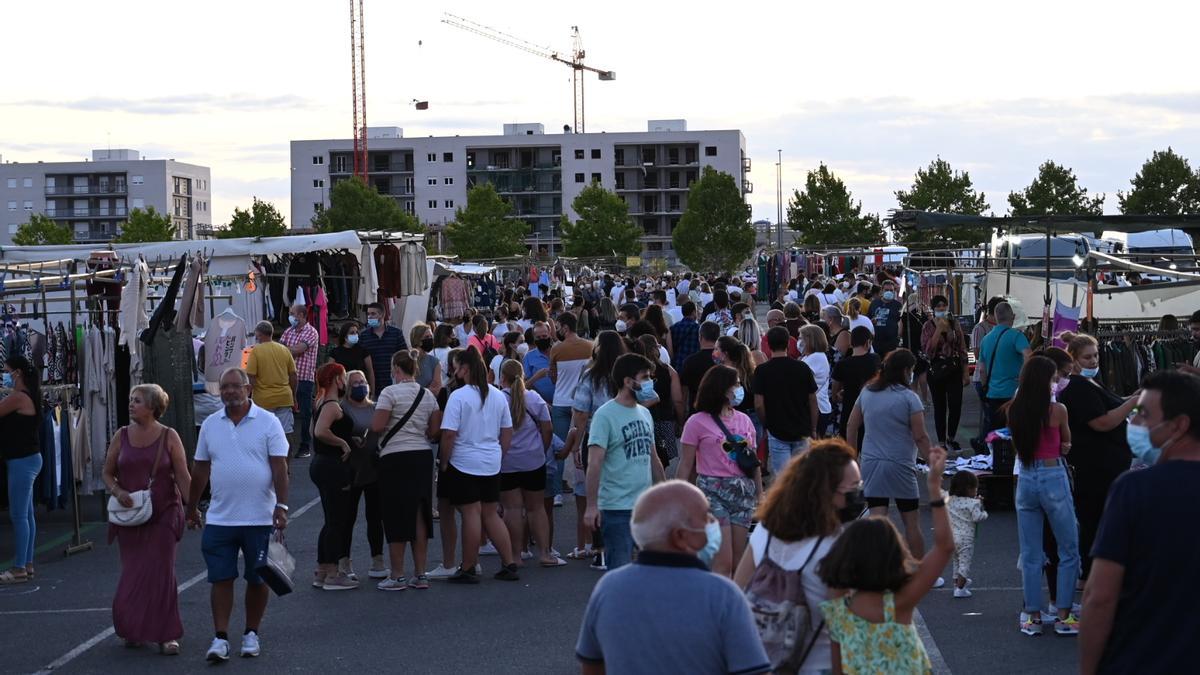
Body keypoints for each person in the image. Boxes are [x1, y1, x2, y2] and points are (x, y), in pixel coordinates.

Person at [575, 480, 771, 675]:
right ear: (680, 536)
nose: (712, 523)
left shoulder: (609, 589)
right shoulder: (723, 595)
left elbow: (591, 665)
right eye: (705, 517)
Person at [1080, 370, 1200, 674]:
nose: (1133, 423)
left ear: (1179, 425)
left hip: (1140, 659)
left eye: (1143, 414)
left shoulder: (1134, 490)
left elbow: (1099, 596)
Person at [817, 447, 952, 675]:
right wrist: (935, 488)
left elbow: (837, 668)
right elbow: (945, 546)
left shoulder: (838, 609)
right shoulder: (900, 603)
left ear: (846, 557)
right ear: (894, 555)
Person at [733, 439, 864, 674]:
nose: (859, 494)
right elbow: (843, 633)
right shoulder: (837, 547)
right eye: (853, 488)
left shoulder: (766, 531)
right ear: (826, 493)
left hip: (762, 664)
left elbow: (737, 595)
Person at [186, 368, 290, 662]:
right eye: (225, 387)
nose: (230, 391)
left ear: (248, 389)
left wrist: (281, 507)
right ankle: (220, 638)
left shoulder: (268, 422)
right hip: (220, 518)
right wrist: (192, 507)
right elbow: (200, 469)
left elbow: (280, 467)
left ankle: (251, 633)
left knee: (258, 579)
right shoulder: (209, 425)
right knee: (220, 578)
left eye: (235, 386)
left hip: (259, 518)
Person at [103, 383, 192, 653]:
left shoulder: (169, 436)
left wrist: (193, 508)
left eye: (137, 400)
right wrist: (118, 492)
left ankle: (167, 634)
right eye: (131, 399)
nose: (131, 404)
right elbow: (107, 472)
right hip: (130, 515)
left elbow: (183, 475)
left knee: (162, 573)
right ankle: (133, 626)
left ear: (153, 407)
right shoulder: (121, 435)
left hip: (164, 512)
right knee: (134, 574)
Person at [845, 349, 944, 588]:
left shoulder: (868, 392)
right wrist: (932, 462)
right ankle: (919, 570)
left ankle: (875, 572)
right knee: (911, 520)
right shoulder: (909, 398)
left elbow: (852, 425)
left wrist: (853, 457)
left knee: (877, 519)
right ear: (905, 371)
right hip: (900, 464)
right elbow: (920, 436)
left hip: (871, 462)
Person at [1001, 355, 1080, 635]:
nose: (1057, 381)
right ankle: (1063, 614)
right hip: (1052, 475)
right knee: (1068, 548)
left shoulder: (1014, 410)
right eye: (1054, 377)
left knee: (1032, 551)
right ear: (1046, 380)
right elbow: (1066, 443)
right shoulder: (1058, 410)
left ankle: (1032, 615)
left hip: (1026, 477)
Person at [1055, 331, 1137, 582]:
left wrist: (1130, 399)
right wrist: (1132, 403)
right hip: (1094, 467)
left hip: (1107, 464)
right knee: (1094, 520)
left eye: (1096, 355)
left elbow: (1110, 407)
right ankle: (1090, 573)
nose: (1094, 361)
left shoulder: (1091, 383)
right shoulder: (1078, 388)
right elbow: (1101, 422)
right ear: (1074, 359)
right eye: (1087, 357)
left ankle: (1096, 571)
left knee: (1101, 518)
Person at [439, 347, 520, 583]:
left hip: (464, 462)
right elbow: (507, 432)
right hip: (491, 461)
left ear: (465, 368)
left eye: (456, 367)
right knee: (491, 514)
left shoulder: (458, 397)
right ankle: (509, 562)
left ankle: (468, 566)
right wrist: (499, 455)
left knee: (471, 513)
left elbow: (448, 436)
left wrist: (444, 462)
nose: (454, 371)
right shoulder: (497, 395)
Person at [583, 353, 666, 571]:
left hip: (645, 507)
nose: (649, 382)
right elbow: (594, 464)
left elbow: (654, 459)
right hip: (616, 508)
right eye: (645, 377)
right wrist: (592, 506)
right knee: (620, 572)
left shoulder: (644, 413)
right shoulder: (605, 415)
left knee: (650, 572)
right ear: (628, 381)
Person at [677, 364, 762, 577]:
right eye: (736, 385)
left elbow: (753, 461)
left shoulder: (744, 420)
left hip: (743, 494)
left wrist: (760, 496)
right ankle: (719, 605)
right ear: (722, 388)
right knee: (723, 562)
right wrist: (678, 497)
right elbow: (686, 463)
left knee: (739, 563)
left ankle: (734, 603)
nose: (740, 389)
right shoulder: (696, 422)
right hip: (713, 493)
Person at [371, 350, 441, 590]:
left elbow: (378, 425)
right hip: (421, 456)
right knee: (420, 513)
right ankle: (421, 574)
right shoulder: (428, 395)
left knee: (396, 513)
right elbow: (434, 431)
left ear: (395, 369)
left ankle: (398, 574)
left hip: (395, 457)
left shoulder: (389, 393)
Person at [497, 360, 564, 568]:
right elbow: (548, 429)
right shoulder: (534, 398)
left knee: (512, 509)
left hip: (507, 461)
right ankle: (545, 553)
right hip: (533, 460)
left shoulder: (498, 399)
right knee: (536, 508)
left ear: (502, 378)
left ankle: (516, 556)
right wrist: (541, 450)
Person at [308, 363, 359, 590]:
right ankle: (332, 573)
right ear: (337, 379)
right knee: (338, 520)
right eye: (344, 377)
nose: (346, 381)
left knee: (331, 519)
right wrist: (342, 442)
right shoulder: (331, 405)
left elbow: (313, 431)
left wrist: (346, 438)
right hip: (333, 467)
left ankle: (322, 569)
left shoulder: (320, 402)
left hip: (322, 463)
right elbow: (319, 431)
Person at [339, 370, 387, 581]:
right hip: (350, 469)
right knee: (347, 517)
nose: (360, 385)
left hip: (373, 469)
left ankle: (378, 559)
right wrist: (350, 439)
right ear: (348, 387)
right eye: (356, 382)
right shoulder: (342, 408)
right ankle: (344, 560)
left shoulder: (376, 407)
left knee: (375, 517)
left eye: (363, 382)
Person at [753, 326, 819, 476]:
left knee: (783, 477)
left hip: (777, 429)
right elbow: (812, 400)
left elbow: (758, 404)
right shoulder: (802, 367)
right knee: (801, 476)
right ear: (788, 344)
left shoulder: (762, 371)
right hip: (802, 428)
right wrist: (813, 427)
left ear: (769, 345)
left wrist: (766, 423)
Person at [0, 356, 42, 585]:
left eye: (6, 371)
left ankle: (19, 568)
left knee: (19, 515)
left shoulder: (18, 398)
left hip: (21, 462)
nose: (5, 375)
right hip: (29, 459)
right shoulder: (27, 396)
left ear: (17, 373)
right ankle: (26, 564)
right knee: (26, 515)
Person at [921, 294, 970, 452]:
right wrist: (938, 331)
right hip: (936, 370)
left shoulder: (954, 324)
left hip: (954, 368)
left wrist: (966, 372)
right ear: (933, 309)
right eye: (938, 307)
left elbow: (962, 348)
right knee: (940, 406)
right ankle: (941, 440)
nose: (941, 309)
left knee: (955, 404)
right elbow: (928, 351)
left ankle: (951, 438)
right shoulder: (927, 326)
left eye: (944, 306)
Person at [977, 301, 1032, 431]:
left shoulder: (986, 339)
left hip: (993, 394)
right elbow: (1029, 356)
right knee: (1016, 432)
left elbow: (982, 369)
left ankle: (997, 451)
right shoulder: (1017, 336)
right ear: (1012, 317)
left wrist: (985, 386)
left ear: (996, 317)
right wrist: (1023, 377)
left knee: (997, 433)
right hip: (1014, 393)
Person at [245, 321, 297, 443]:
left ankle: (267, 461)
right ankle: (285, 461)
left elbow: (251, 376)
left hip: (263, 400)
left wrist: (252, 393)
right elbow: (293, 375)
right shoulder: (284, 350)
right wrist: (293, 395)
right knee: (285, 434)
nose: (256, 337)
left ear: (260, 334)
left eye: (257, 335)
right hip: (284, 398)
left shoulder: (256, 351)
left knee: (264, 436)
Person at [279, 303, 320, 458]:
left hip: (304, 377)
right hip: (286, 377)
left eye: (293, 313)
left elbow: (298, 350)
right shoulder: (288, 331)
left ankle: (305, 445)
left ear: (302, 315)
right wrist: (285, 349)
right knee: (286, 410)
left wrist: (283, 349)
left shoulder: (311, 332)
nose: (290, 316)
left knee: (305, 412)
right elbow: (283, 350)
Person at [832, 326, 881, 447]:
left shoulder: (842, 364)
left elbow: (835, 392)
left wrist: (840, 394)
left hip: (849, 408)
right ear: (868, 342)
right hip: (872, 409)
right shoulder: (875, 359)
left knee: (849, 449)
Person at [970, 297, 1004, 450]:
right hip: (983, 378)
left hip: (998, 378)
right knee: (990, 414)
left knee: (992, 415)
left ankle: (983, 442)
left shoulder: (1005, 328)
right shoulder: (980, 328)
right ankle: (984, 443)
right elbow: (977, 355)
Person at [946, 471, 987, 599]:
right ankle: (960, 588)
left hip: (952, 537)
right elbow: (977, 517)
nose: (976, 491)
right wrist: (984, 511)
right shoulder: (973, 503)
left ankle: (956, 582)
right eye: (975, 488)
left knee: (956, 561)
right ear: (969, 489)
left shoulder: (950, 500)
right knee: (965, 563)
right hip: (965, 538)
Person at [359, 301, 408, 392]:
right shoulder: (363, 336)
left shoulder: (396, 333)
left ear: (382, 315)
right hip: (372, 385)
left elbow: (404, 356)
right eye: (368, 314)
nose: (369, 317)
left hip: (393, 384)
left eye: (373, 314)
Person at [679, 320, 721, 415]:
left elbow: (684, 392)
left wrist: (682, 415)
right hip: (720, 412)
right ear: (718, 337)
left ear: (700, 337)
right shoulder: (723, 360)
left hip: (696, 411)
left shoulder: (689, 361)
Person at [800, 324, 833, 438]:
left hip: (817, 408)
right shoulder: (809, 357)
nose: (799, 342)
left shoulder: (816, 357)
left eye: (801, 338)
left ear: (809, 340)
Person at [327, 321, 375, 394]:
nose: (355, 334)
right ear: (345, 336)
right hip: (342, 392)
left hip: (361, 390)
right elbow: (329, 373)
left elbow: (370, 372)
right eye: (352, 333)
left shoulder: (363, 351)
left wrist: (372, 391)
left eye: (356, 332)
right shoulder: (335, 352)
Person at [867, 278, 903, 357]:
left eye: (891, 290)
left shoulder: (898, 305)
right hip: (876, 342)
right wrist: (871, 321)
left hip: (891, 343)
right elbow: (868, 318)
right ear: (882, 290)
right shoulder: (874, 303)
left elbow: (901, 321)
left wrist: (898, 337)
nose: (889, 292)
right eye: (886, 290)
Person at [409, 322, 443, 396]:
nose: (431, 339)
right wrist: (427, 389)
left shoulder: (434, 362)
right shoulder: (405, 359)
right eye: (427, 337)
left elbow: (436, 390)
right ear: (418, 340)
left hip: (427, 404)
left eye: (431, 336)